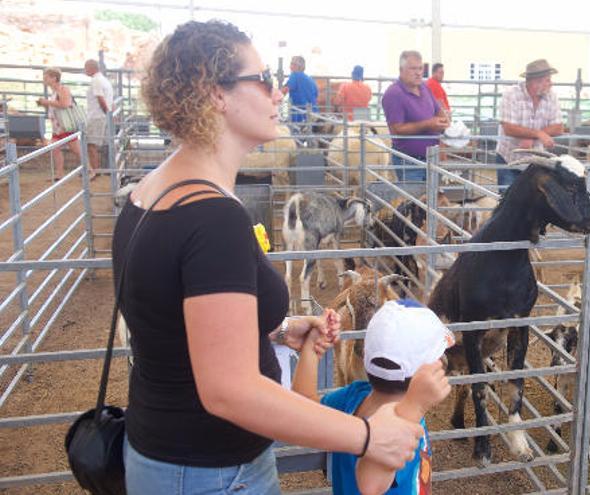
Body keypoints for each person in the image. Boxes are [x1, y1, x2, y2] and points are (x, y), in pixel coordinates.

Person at [116, 20, 423, 494]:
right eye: (263, 80)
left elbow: (175, 327)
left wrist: (275, 330)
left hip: (164, 452)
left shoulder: (152, 192)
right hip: (214, 471)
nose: (278, 93)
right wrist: (366, 436)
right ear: (215, 93)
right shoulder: (212, 217)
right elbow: (229, 391)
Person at [292, 299, 452, 495]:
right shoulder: (403, 425)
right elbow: (371, 484)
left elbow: (303, 405)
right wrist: (413, 408)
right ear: (424, 373)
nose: (443, 361)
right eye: (439, 355)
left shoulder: (355, 396)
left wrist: (311, 347)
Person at [381, 50, 449, 182]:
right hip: (409, 161)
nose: (418, 72)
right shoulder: (394, 94)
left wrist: (444, 120)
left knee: (431, 200)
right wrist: (428, 124)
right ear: (401, 70)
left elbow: (438, 109)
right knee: (414, 200)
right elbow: (396, 129)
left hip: (432, 159)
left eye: (420, 68)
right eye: (413, 68)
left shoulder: (424, 87)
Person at [495, 59, 563, 187]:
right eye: (547, 80)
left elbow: (558, 127)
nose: (551, 84)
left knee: (531, 202)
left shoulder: (551, 96)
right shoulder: (511, 94)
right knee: (507, 199)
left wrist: (534, 135)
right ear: (535, 82)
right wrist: (538, 134)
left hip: (536, 160)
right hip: (509, 157)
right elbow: (509, 128)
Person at [36, 68, 83, 181]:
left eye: (46, 77)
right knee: (56, 149)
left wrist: (46, 102)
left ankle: (89, 170)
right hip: (58, 126)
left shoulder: (63, 89)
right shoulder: (55, 91)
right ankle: (59, 174)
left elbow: (65, 104)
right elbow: (58, 105)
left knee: (76, 150)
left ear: (54, 78)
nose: (44, 80)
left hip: (65, 126)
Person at [84, 59, 114, 179]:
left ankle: (94, 171)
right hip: (102, 115)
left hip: (96, 115)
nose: (85, 70)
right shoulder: (104, 80)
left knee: (91, 144)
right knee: (98, 144)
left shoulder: (96, 80)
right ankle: (100, 169)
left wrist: (106, 111)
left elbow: (100, 98)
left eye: (86, 68)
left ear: (91, 68)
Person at [281, 55, 318, 125]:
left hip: (299, 117)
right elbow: (316, 95)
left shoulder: (294, 75)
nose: (290, 66)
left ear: (297, 66)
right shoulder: (310, 79)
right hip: (314, 115)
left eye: (292, 64)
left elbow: (284, 91)